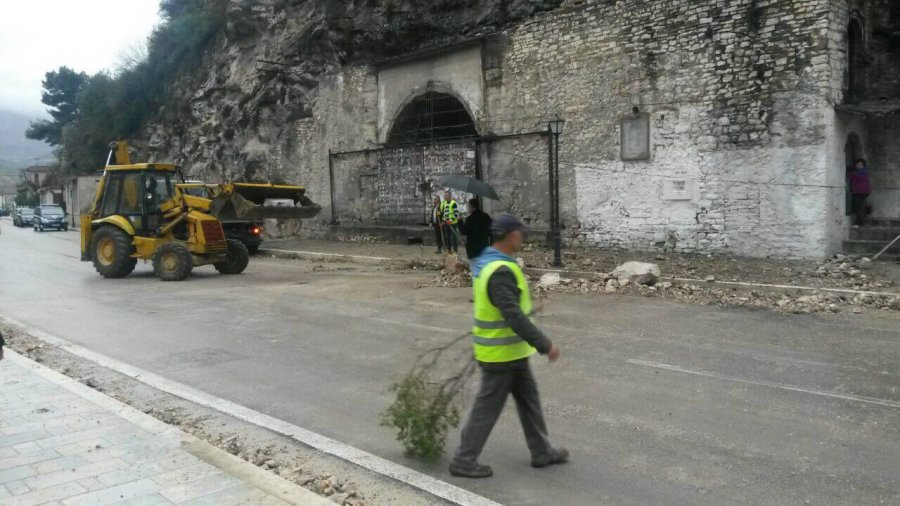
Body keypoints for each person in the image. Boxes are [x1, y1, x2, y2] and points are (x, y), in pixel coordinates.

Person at [449, 215, 568, 479]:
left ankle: (541, 452)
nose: (522, 238)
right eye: (520, 233)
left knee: (529, 401)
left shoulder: (490, 262)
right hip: (500, 356)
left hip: (511, 353)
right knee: (487, 408)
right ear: (511, 235)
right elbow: (513, 315)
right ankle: (463, 460)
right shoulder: (500, 271)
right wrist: (545, 345)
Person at [848, 158, 872, 228]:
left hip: (860, 192)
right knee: (861, 207)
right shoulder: (863, 171)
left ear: (863, 165)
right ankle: (860, 221)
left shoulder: (861, 172)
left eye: (860, 164)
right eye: (857, 164)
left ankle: (859, 223)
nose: (858, 166)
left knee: (859, 208)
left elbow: (851, 176)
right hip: (862, 192)